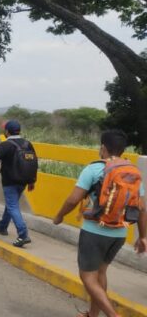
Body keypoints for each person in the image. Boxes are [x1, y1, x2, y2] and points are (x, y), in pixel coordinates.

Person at [53, 130, 145, 317]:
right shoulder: (133, 172)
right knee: (100, 273)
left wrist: (60, 216)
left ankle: (113, 315)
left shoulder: (94, 169)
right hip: (119, 233)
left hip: (95, 232)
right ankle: (93, 315)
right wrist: (143, 236)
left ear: (103, 147)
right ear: (123, 149)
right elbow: (142, 208)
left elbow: (73, 199)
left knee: (87, 276)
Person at [0, 120, 36, 248]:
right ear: (19, 131)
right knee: (11, 204)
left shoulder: (5, 145)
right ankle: (2, 226)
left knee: (12, 206)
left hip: (10, 181)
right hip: (23, 181)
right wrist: (32, 181)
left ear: (7, 131)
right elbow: (33, 163)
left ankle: (23, 235)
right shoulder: (27, 144)